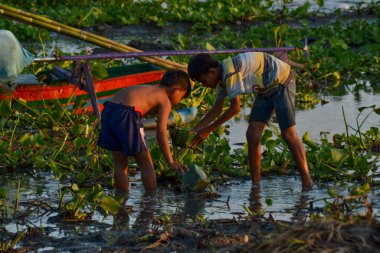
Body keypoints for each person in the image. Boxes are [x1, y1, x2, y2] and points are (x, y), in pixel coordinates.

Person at [187, 52, 313, 190]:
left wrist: (208, 130)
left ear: (212, 72)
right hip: (265, 89)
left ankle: (307, 182)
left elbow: (235, 109)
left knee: (288, 134)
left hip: (282, 81)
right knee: (252, 135)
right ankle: (255, 186)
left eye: (203, 81)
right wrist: (196, 129)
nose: (204, 85)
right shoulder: (221, 79)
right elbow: (217, 109)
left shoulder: (230, 72)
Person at [97, 69, 191, 194]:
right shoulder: (164, 99)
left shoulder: (149, 89)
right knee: (146, 162)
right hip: (127, 113)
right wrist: (170, 161)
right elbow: (161, 132)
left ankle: (121, 200)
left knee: (120, 164)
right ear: (176, 90)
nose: (178, 101)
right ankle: (150, 201)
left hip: (108, 110)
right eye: (181, 97)